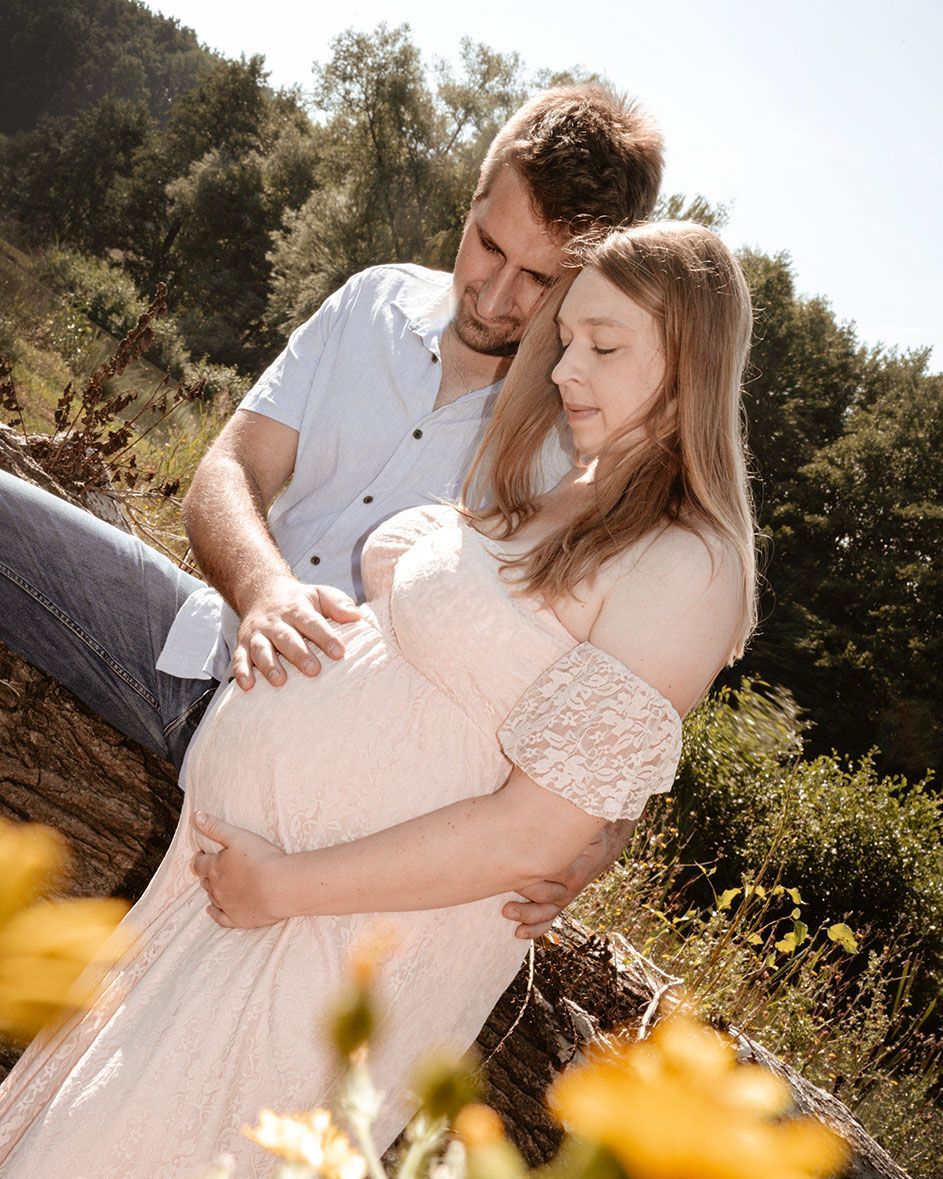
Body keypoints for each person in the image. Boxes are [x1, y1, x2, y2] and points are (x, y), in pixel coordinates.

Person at [0, 220, 758, 1179]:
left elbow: (534, 835)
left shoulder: (691, 565)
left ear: (691, 363)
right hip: (237, 899)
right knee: (63, 1178)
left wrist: (286, 885)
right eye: (568, 339)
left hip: (327, 937)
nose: (570, 366)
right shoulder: (568, 489)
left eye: (606, 345)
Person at [0, 84, 665, 942]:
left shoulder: (584, 441)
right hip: (200, 646)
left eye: (539, 279)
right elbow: (231, 469)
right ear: (470, 201)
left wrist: (600, 836)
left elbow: (633, 681)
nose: (494, 297)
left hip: (323, 780)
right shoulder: (370, 302)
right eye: (486, 244)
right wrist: (265, 593)